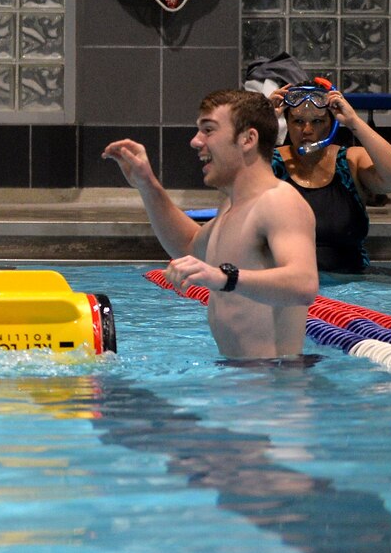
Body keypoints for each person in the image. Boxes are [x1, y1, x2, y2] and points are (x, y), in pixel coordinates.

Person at [103, 89, 319, 359]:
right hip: (239, 381)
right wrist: (147, 184)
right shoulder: (232, 205)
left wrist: (224, 277)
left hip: (275, 387)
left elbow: (304, 284)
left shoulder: (279, 201)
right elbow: (188, 246)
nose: (195, 141)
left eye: (208, 130)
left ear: (247, 139)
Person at [267, 79, 391, 274]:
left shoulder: (350, 161)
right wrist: (263, 124)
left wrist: (353, 121)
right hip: (286, 286)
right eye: (298, 121)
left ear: (332, 123)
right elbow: (233, 180)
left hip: (350, 288)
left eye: (317, 121)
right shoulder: (268, 162)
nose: (307, 130)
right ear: (287, 123)